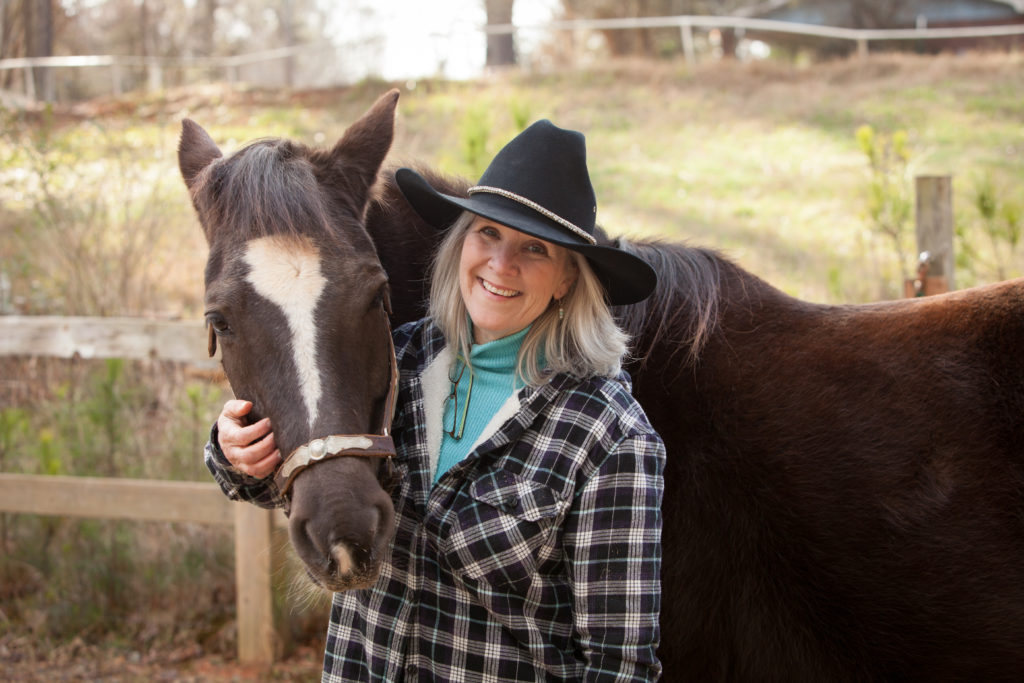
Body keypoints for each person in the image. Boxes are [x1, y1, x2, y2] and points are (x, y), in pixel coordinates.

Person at [206, 119, 666, 681]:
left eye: (535, 248)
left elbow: (619, 667)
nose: (501, 264)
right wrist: (235, 451)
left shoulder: (609, 435)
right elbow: (313, 459)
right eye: (488, 234)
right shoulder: (400, 358)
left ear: (568, 280)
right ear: (461, 241)